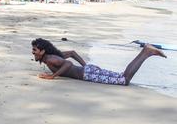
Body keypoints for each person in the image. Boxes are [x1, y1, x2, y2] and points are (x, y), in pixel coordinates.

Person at [31, 38, 167, 85]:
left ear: (43, 51)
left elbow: (68, 64)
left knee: (124, 80)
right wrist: (86, 66)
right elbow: (72, 53)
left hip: (88, 74)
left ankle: (146, 52)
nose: (33, 52)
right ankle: (146, 52)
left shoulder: (50, 59)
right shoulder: (53, 56)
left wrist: (52, 76)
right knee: (121, 76)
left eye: (35, 50)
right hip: (88, 71)